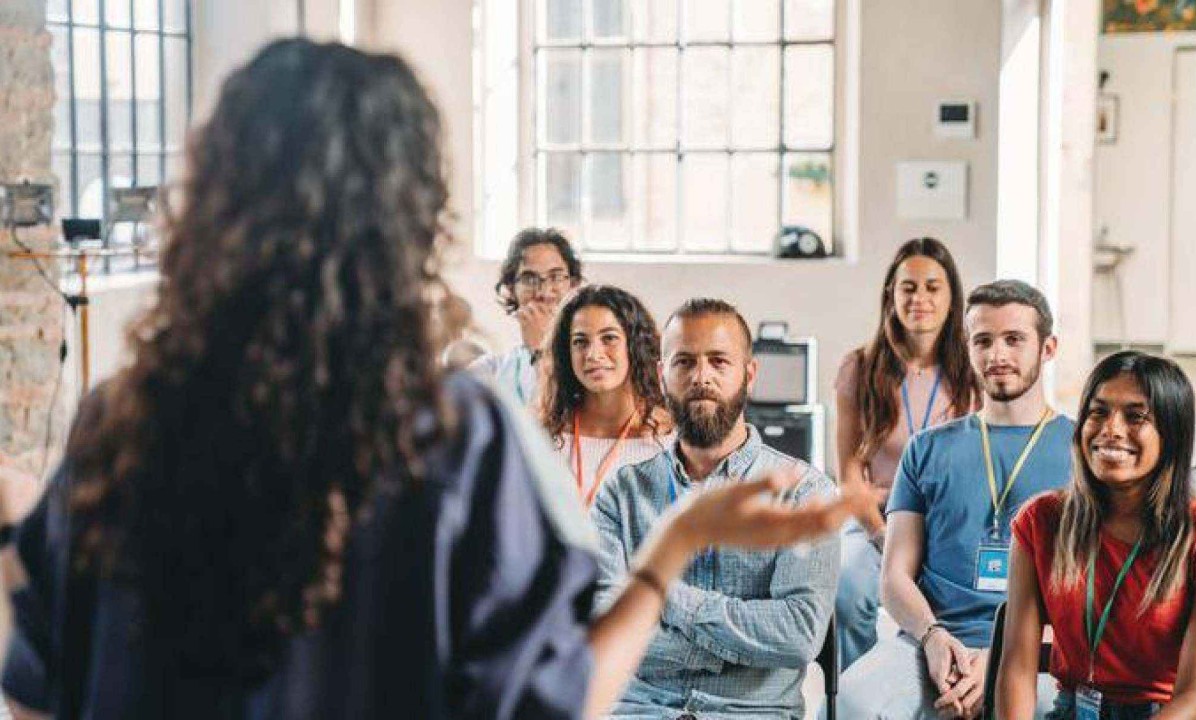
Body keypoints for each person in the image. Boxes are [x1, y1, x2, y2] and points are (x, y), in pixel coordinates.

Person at [0, 40, 883, 720]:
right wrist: (672, 551)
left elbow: (38, 690)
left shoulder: (121, 422)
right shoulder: (453, 436)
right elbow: (554, 700)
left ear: (215, 203)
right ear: (408, 222)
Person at [593, 298, 853, 720]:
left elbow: (798, 634)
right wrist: (734, 646)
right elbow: (603, 624)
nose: (701, 377)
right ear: (662, 376)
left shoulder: (805, 492)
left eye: (718, 361)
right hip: (640, 711)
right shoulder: (622, 493)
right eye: (684, 362)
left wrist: (659, 596)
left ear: (749, 374)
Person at [838, 280, 1074, 719]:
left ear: (1048, 348)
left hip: (1039, 653)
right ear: (968, 348)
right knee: (856, 697)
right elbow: (894, 577)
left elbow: (1091, 597)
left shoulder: (1083, 450)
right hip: (931, 641)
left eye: (1014, 339)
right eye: (983, 340)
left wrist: (1006, 655)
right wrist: (933, 638)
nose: (997, 355)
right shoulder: (927, 449)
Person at [997, 351, 1196, 720]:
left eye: (1136, 416)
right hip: (1071, 709)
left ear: (1172, 434)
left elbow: (1194, 696)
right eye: (1098, 412)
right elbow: (1017, 667)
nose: (1111, 429)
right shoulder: (1040, 521)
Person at [834, 237, 977, 670]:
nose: (920, 298)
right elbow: (848, 478)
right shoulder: (859, 367)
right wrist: (882, 536)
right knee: (846, 592)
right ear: (891, 296)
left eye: (933, 287)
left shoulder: (973, 372)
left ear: (952, 298)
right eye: (908, 287)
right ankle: (859, 688)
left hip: (949, 525)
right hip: (876, 523)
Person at [539, 285, 674, 508]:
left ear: (635, 345)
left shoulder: (666, 440)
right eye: (580, 342)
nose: (593, 354)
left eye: (609, 338)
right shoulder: (543, 437)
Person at [470, 228, 583, 405]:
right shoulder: (493, 369)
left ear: (573, 285)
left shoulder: (592, 362)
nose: (544, 292)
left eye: (556, 277)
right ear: (511, 289)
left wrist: (541, 350)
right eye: (529, 279)